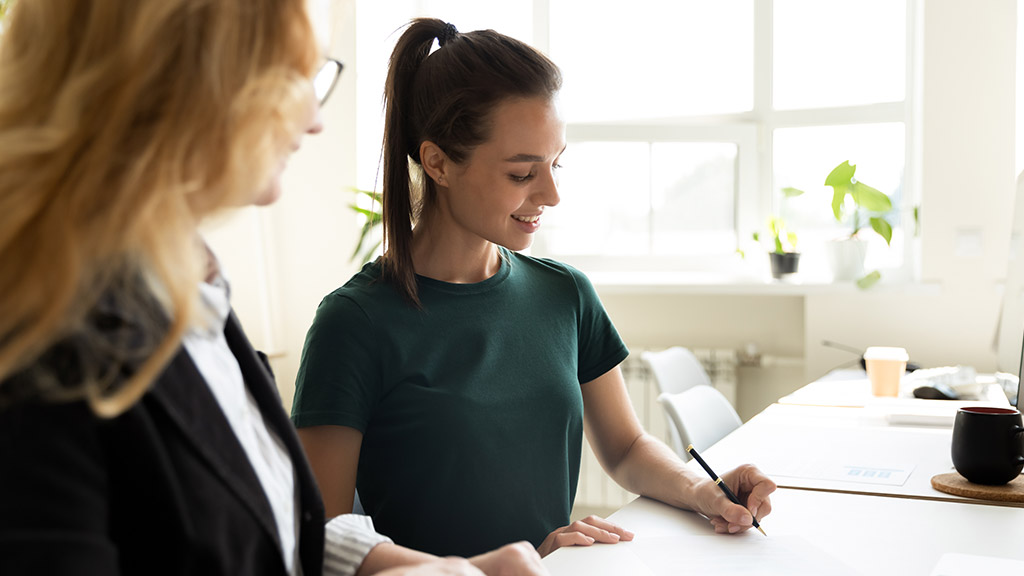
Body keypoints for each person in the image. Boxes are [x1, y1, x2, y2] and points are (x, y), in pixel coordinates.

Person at [0, 2, 546, 575]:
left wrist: (420, 569)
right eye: (289, 77)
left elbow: (261, 523)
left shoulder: (187, 284)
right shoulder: (39, 350)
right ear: (171, 76)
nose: (314, 119)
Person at [291, 17, 778, 560]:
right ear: (438, 163)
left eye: (555, 164)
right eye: (522, 174)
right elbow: (321, 543)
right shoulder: (354, 323)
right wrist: (490, 570)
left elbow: (625, 447)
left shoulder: (565, 294)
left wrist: (700, 489)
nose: (550, 194)